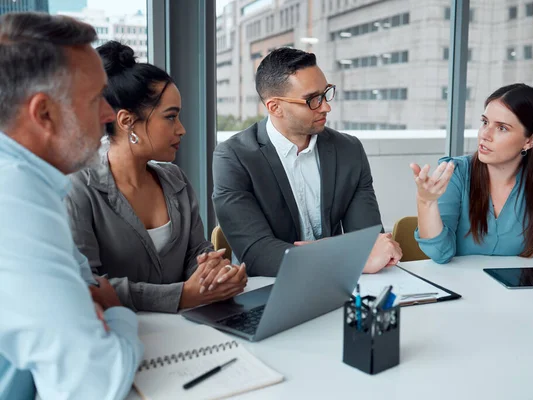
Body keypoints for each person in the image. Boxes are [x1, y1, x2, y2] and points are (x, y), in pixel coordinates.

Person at [0, 13, 143, 399]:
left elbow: (86, 285)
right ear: (44, 113)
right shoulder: (12, 194)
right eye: (96, 98)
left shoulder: (34, 180)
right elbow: (96, 385)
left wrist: (91, 305)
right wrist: (117, 314)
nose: (110, 115)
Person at [66, 41, 247, 314]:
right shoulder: (79, 188)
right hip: (126, 335)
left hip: (189, 329)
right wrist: (182, 296)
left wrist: (217, 273)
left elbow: (196, 252)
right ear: (127, 121)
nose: (182, 129)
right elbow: (87, 285)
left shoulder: (175, 179)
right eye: (171, 117)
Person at [213, 47, 402, 277]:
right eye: (313, 99)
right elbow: (257, 255)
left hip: (340, 286)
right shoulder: (233, 158)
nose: (326, 107)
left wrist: (339, 253)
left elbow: (370, 242)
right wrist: (345, 256)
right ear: (275, 107)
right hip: (270, 288)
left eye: (326, 93)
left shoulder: (348, 150)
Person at [410, 83, 533, 268]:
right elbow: (440, 252)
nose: (485, 134)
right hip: (461, 291)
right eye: (485, 122)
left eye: (502, 128)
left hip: (515, 293)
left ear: (529, 140)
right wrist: (426, 202)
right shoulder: (457, 171)